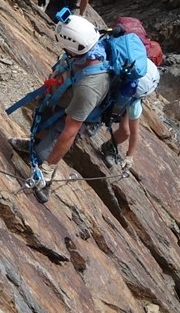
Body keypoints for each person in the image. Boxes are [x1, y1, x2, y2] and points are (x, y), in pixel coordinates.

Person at [11, 16, 111, 201]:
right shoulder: (85, 49)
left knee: (43, 154)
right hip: (60, 97)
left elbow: (70, 131)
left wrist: (48, 167)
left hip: (70, 111)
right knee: (38, 125)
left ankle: (46, 177)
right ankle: (33, 146)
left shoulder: (90, 86)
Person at [100, 26, 160, 167]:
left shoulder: (133, 101)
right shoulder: (134, 99)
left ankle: (109, 145)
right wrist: (129, 157)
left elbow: (131, 133)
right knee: (125, 131)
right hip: (116, 89)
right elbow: (133, 133)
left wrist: (130, 156)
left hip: (112, 83)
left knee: (125, 131)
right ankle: (109, 146)